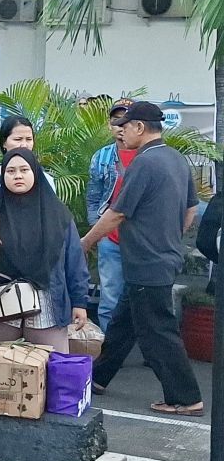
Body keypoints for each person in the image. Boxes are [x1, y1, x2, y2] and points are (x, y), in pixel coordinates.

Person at [82, 101, 204, 417]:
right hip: (159, 256)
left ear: (139, 127)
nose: (121, 133)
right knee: (124, 322)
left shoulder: (143, 163)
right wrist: (169, 233)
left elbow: (117, 213)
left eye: (125, 127)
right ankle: (97, 378)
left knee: (157, 332)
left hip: (147, 261)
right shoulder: (176, 159)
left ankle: (186, 397)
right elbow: (191, 209)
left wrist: (84, 242)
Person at [0, 149, 89, 350]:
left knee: (52, 369)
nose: (18, 175)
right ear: (2, 175)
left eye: (24, 169)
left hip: (47, 305)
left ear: (35, 172)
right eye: (11, 171)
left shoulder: (56, 213)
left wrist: (80, 302)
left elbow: (74, 260)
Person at [86, 98, 136, 333]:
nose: (120, 126)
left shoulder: (149, 156)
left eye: (126, 121)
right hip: (111, 239)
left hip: (141, 241)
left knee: (143, 299)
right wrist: (97, 233)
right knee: (109, 299)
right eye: (116, 120)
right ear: (109, 125)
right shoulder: (101, 157)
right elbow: (93, 198)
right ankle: (109, 351)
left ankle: (147, 351)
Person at [0, 115, 55, 199]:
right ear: (4, 143)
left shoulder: (46, 180)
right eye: (18, 139)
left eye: (29, 139)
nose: (24, 145)